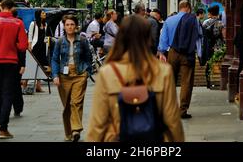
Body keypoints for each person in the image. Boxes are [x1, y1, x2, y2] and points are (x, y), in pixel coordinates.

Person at [85, 14, 184, 142]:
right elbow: (172, 120)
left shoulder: (107, 73)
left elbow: (97, 124)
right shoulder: (163, 71)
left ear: (121, 37)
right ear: (148, 38)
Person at [0, 0, 28, 139]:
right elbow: (23, 46)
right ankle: (4, 128)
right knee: (7, 94)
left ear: (1, 7)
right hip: (11, 62)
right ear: (12, 8)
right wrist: (12, 44)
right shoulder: (18, 23)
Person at [51, 14, 92, 142]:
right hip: (64, 76)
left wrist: (87, 72)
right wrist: (55, 75)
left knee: (76, 102)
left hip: (79, 74)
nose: (70, 27)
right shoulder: (59, 41)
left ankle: (76, 130)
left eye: (72, 24)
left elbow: (88, 57)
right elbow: (54, 59)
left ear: (76, 26)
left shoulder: (83, 40)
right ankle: (69, 132)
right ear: (64, 26)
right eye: (67, 24)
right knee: (67, 106)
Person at [158, 0, 201, 119]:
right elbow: (197, 37)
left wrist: (161, 52)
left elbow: (163, 38)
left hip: (173, 52)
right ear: (187, 7)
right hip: (188, 53)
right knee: (186, 82)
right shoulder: (194, 20)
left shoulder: (169, 20)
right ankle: (182, 110)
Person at [202, 5, 224, 89]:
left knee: (209, 64)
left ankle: (208, 82)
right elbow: (223, 35)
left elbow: (203, 36)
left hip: (209, 46)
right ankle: (219, 81)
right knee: (219, 63)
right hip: (218, 46)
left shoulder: (205, 23)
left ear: (210, 13)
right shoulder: (221, 23)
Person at [28, 9, 50, 92]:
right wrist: (29, 46)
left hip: (43, 47)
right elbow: (30, 36)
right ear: (39, 14)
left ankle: (38, 86)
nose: (45, 14)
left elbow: (45, 36)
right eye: (43, 13)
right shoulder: (33, 24)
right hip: (35, 47)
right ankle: (25, 83)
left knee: (41, 66)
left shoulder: (45, 24)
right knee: (32, 64)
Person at [11, 8, 26, 117]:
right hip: (16, 59)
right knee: (15, 84)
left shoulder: (18, 25)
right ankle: (18, 106)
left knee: (15, 84)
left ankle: (18, 106)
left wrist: (22, 64)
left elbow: (21, 47)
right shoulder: (18, 25)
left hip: (14, 59)